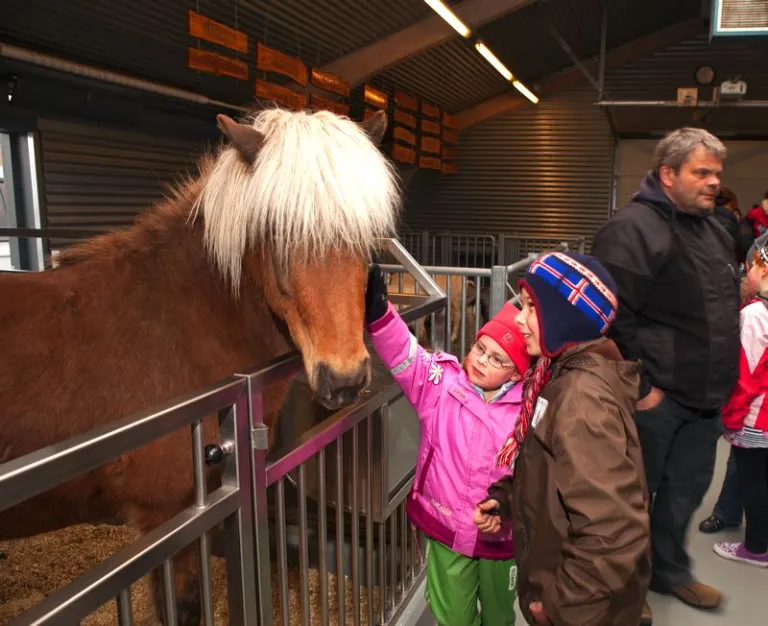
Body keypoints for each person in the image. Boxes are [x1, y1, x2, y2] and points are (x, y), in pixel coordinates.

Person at [591, 127, 740, 622]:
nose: (713, 182)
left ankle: (669, 571)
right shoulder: (632, 229)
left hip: (705, 400)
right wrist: (643, 388)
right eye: (702, 172)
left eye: (717, 173)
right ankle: (624, 592)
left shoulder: (714, 227)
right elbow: (612, 317)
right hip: (656, 398)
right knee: (630, 501)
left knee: (683, 495)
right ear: (668, 173)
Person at [473, 251, 651, 626]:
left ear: (563, 318)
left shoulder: (580, 401)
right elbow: (556, 471)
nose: (519, 320)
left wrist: (559, 607)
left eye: (530, 308)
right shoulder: (559, 374)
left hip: (582, 611)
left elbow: (615, 532)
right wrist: (507, 498)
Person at [364, 264, 531, 626]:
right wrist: (380, 313)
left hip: (500, 538)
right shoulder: (442, 384)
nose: (481, 361)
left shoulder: (529, 411)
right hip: (446, 528)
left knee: (501, 615)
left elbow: (533, 473)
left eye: (497, 359)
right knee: (453, 616)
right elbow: (406, 355)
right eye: (479, 348)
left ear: (518, 373)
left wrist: (508, 509)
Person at [713, 243, 768, 568]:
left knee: (755, 482)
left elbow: (744, 377)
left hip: (756, 418)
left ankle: (757, 547)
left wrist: (730, 420)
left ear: (760, 270)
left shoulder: (754, 316)